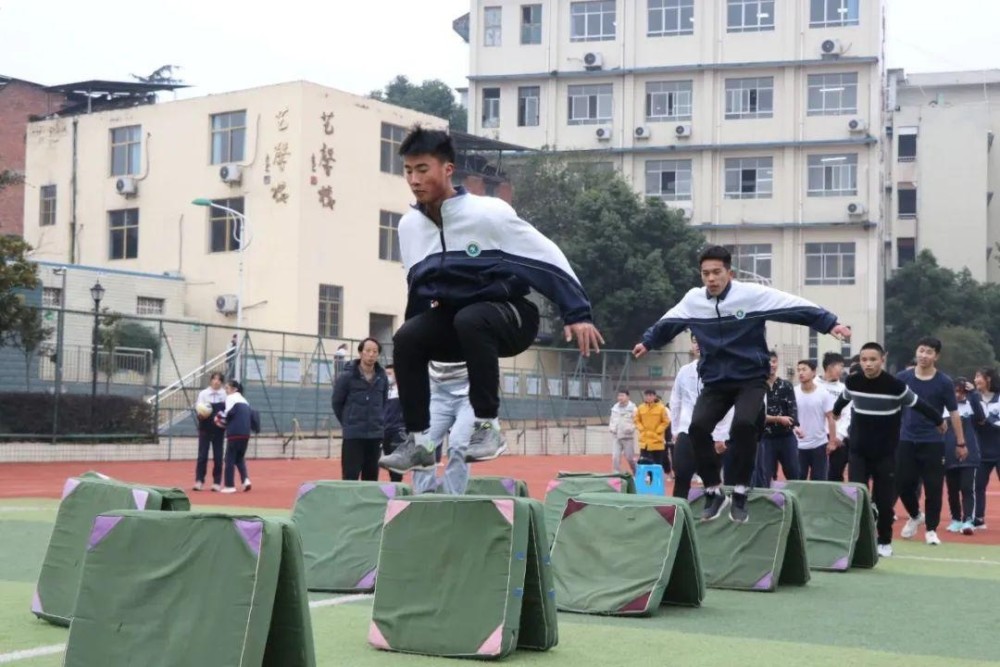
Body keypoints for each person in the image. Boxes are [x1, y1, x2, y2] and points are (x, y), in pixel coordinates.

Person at [377, 127, 604, 474]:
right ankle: (420, 441)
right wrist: (416, 343)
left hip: (510, 317)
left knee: (471, 317)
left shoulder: (488, 213)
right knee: (406, 337)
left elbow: (546, 256)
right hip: (458, 325)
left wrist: (577, 312)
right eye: (408, 171)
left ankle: (488, 427)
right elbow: (419, 294)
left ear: (447, 169)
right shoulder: (409, 227)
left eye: (423, 169)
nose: (414, 179)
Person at [634, 245, 851, 523]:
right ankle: (713, 489)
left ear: (729, 273)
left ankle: (739, 490)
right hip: (716, 381)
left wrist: (830, 323)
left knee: (745, 425)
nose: (711, 279)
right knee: (698, 427)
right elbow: (669, 321)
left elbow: (793, 305)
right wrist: (647, 341)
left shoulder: (750, 295)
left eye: (717, 273)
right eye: (705, 274)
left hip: (750, 378)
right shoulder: (693, 300)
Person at [833, 342, 944, 557]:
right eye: (864, 360)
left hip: (885, 453)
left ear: (882, 360)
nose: (868, 364)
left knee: (884, 501)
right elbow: (844, 398)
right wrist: (836, 411)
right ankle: (856, 539)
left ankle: (884, 541)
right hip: (858, 451)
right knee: (858, 494)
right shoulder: (853, 381)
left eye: (873, 359)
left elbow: (918, 404)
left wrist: (938, 420)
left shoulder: (895, 386)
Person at [896, 336, 966, 546]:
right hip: (906, 439)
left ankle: (931, 530)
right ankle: (916, 515)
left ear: (936, 356)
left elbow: (954, 413)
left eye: (929, 352)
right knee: (902, 483)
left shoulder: (944, 382)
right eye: (921, 350)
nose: (924, 355)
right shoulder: (903, 378)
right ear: (916, 351)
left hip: (933, 441)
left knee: (933, 487)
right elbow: (893, 407)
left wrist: (961, 443)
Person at [670, 335, 732, 499]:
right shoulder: (684, 371)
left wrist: (721, 436)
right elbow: (676, 400)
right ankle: (678, 517)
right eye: (695, 341)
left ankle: (711, 518)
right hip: (686, 431)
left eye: (703, 340)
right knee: (681, 475)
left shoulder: (723, 371)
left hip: (712, 435)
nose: (699, 345)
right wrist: (675, 430)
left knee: (710, 481)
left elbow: (728, 405)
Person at [411, 362, 475, 495]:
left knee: (459, 445)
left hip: (470, 394)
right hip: (438, 393)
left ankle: (453, 497)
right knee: (423, 443)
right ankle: (424, 495)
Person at [332, 338, 390, 481]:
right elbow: (337, 402)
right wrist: (348, 421)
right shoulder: (347, 376)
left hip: (375, 435)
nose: (371, 355)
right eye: (368, 351)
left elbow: (383, 401)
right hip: (353, 435)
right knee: (350, 475)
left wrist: (378, 421)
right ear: (360, 352)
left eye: (375, 352)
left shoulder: (382, 377)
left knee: (371, 477)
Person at [754, 351, 800, 486]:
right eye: (768, 362)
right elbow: (757, 415)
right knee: (764, 477)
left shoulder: (786, 385)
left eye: (773, 361)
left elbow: (793, 412)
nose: (771, 365)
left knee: (795, 475)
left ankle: (796, 504)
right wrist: (779, 419)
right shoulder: (756, 387)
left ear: (777, 363)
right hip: (765, 439)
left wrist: (794, 425)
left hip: (786, 438)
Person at [944, 378, 983, 535]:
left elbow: (981, 418)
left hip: (969, 453)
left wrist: (973, 393)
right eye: (955, 391)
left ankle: (968, 520)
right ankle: (955, 519)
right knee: (952, 490)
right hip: (948, 453)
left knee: (967, 488)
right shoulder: (944, 407)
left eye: (961, 391)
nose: (958, 394)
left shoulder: (971, 404)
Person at [793, 360, 838, 481]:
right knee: (798, 480)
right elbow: (789, 416)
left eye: (804, 369)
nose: (801, 373)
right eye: (799, 370)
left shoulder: (823, 393)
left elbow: (831, 418)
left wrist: (832, 441)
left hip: (819, 444)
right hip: (797, 445)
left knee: (819, 482)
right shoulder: (793, 392)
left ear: (813, 372)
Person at [972, 367, 1000, 529]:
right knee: (978, 486)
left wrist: (987, 422)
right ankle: (978, 518)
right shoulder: (974, 399)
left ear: (988, 379)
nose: (975, 380)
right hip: (981, 450)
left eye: (978, 377)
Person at [817, 352, 852, 481]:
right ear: (831, 366)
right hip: (817, 438)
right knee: (818, 475)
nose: (842, 370)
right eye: (840, 366)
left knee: (835, 475)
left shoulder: (844, 389)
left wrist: (838, 437)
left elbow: (848, 414)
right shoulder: (814, 384)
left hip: (838, 440)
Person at [217, 380, 253, 494]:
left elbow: (227, 415)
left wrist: (217, 419)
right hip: (246, 433)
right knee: (239, 458)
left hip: (235, 433)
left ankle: (229, 485)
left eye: (227, 388)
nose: (226, 391)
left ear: (234, 389)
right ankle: (245, 480)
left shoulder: (231, 398)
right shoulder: (245, 401)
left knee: (229, 459)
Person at [193, 372, 227, 492]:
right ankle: (199, 481)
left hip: (219, 430)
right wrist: (201, 414)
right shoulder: (203, 394)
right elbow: (199, 409)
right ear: (211, 381)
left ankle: (217, 482)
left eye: (219, 379)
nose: (216, 381)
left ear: (221, 382)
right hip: (205, 429)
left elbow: (226, 412)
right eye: (214, 379)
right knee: (202, 456)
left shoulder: (224, 394)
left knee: (218, 457)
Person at [635, 389, 670, 473]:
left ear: (654, 396)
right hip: (645, 441)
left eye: (651, 395)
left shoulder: (661, 408)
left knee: (657, 464)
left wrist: (659, 430)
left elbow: (666, 421)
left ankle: (657, 481)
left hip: (657, 440)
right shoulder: (640, 408)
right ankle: (647, 482)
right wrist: (641, 429)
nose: (649, 397)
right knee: (644, 463)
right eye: (647, 395)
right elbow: (636, 420)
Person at [382, 364, 406, 483]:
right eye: (385, 374)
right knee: (387, 459)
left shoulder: (403, 390)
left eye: (390, 374)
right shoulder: (383, 391)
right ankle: (394, 481)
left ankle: (397, 484)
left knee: (396, 460)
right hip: (384, 429)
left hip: (398, 429)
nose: (387, 377)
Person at [609, 390, 638, 475]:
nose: (620, 398)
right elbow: (612, 420)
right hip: (616, 436)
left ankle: (636, 472)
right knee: (615, 457)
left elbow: (636, 422)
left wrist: (630, 429)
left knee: (630, 458)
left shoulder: (633, 409)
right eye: (619, 396)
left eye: (622, 395)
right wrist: (611, 428)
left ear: (628, 397)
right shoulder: (615, 408)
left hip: (628, 437)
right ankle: (616, 474)